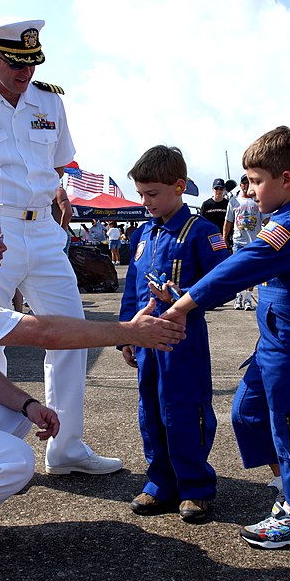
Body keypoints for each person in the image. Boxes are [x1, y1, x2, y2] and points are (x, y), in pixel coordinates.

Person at [0, 197, 186, 570]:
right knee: (12, 461)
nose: (4, 248)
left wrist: (29, 406)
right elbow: (45, 331)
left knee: (16, 417)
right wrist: (128, 331)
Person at [0, 18, 121, 476]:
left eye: (31, 63)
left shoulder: (49, 101)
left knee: (71, 332)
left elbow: (60, 164)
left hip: (42, 230)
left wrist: (58, 199)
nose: (25, 73)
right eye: (14, 63)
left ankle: (66, 449)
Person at [161, 127, 290, 548]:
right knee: (248, 413)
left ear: (286, 179)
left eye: (256, 181)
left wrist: (180, 306)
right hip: (274, 344)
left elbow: (238, 268)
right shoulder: (286, 220)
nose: (250, 192)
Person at [119, 145, 228, 523]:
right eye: (141, 195)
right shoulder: (143, 236)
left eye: (152, 194)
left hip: (183, 342)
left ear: (179, 186)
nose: (145, 202)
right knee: (150, 410)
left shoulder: (202, 232)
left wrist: (180, 298)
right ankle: (160, 483)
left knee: (185, 412)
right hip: (147, 341)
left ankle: (195, 487)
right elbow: (132, 287)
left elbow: (223, 282)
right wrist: (126, 335)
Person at [223, 174, 269, 311]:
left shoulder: (258, 200)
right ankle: (238, 296)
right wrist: (224, 238)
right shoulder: (233, 201)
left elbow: (266, 220)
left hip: (254, 241)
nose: (245, 185)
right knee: (237, 271)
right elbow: (228, 221)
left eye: (247, 183)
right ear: (240, 185)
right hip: (238, 242)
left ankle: (248, 298)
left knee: (251, 272)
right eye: (243, 183)